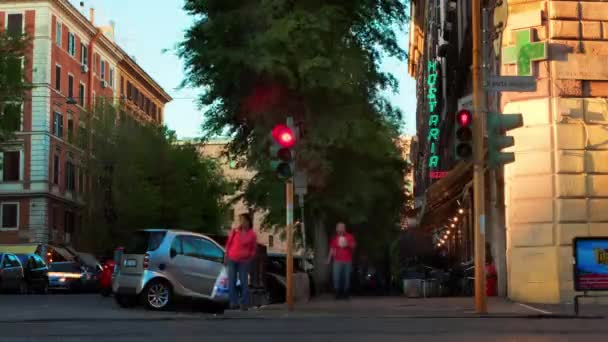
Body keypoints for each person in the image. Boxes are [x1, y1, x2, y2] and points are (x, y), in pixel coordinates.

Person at [225, 213, 257, 310]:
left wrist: (249, 257)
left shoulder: (252, 234)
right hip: (232, 259)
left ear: (248, 222)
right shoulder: (235, 231)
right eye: (240, 220)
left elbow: (253, 248)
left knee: (244, 282)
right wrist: (226, 256)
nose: (242, 222)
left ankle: (244, 303)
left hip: (244, 261)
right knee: (232, 281)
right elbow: (228, 244)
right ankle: (233, 302)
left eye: (244, 220)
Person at [328, 222, 356, 299]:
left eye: (341, 228)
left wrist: (347, 244)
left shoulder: (349, 236)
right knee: (336, 277)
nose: (340, 229)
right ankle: (337, 293)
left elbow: (353, 246)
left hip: (347, 260)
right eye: (338, 228)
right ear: (337, 229)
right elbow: (332, 249)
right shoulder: (335, 238)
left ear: (344, 228)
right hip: (337, 260)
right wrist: (329, 259)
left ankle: (346, 293)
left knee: (346, 277)